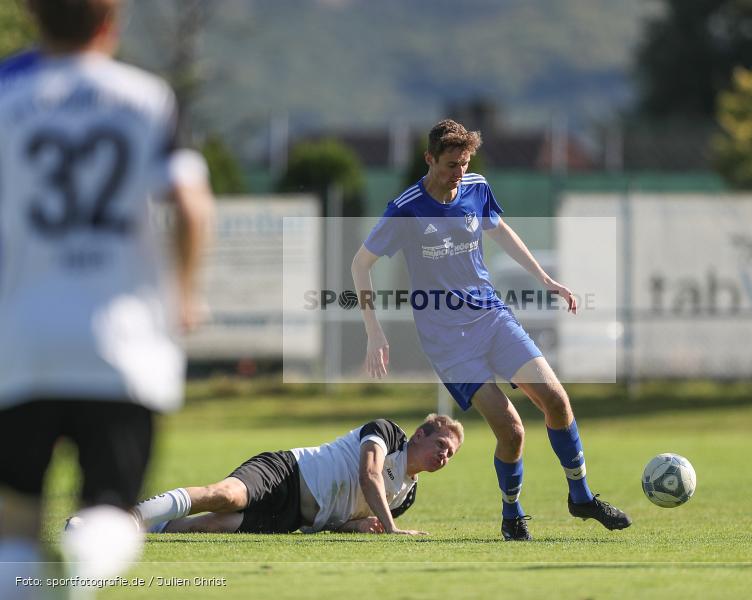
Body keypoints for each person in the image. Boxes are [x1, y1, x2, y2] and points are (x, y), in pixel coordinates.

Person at [0, 0, 214, 591]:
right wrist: (186, 292)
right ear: (110, 22)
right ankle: (83, 564)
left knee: (15, 519)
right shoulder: (147, 98)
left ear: (32, 17)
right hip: (122, 340)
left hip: (22, 338)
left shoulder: (6, 95)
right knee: (111, 508)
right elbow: (191, 205)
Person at [351, 119, 632, 541]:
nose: (458, 173)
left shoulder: (476, 187)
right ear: (429, 159)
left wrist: (545, 280)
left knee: (556, 401)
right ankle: (512, 513)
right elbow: (360, 264)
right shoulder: (406, 208)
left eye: (464, 163)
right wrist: (374, 330)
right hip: (448, 342)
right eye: (450, 164)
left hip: (492, 318)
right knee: (512, 429)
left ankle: (581, 497)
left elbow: (499, 230)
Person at [131, 415, 463, 535]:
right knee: (225, 496)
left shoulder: (407, 496)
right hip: (287, 472)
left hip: (293, 518)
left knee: (209, 525)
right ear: (420, 435)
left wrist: (359, 525)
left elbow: (342, 520)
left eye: (450, 454)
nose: (444, 456)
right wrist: (392, 529)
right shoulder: (388, 433)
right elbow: (368, 475)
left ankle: (152, 527)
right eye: (442, 445)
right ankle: (126, 517)